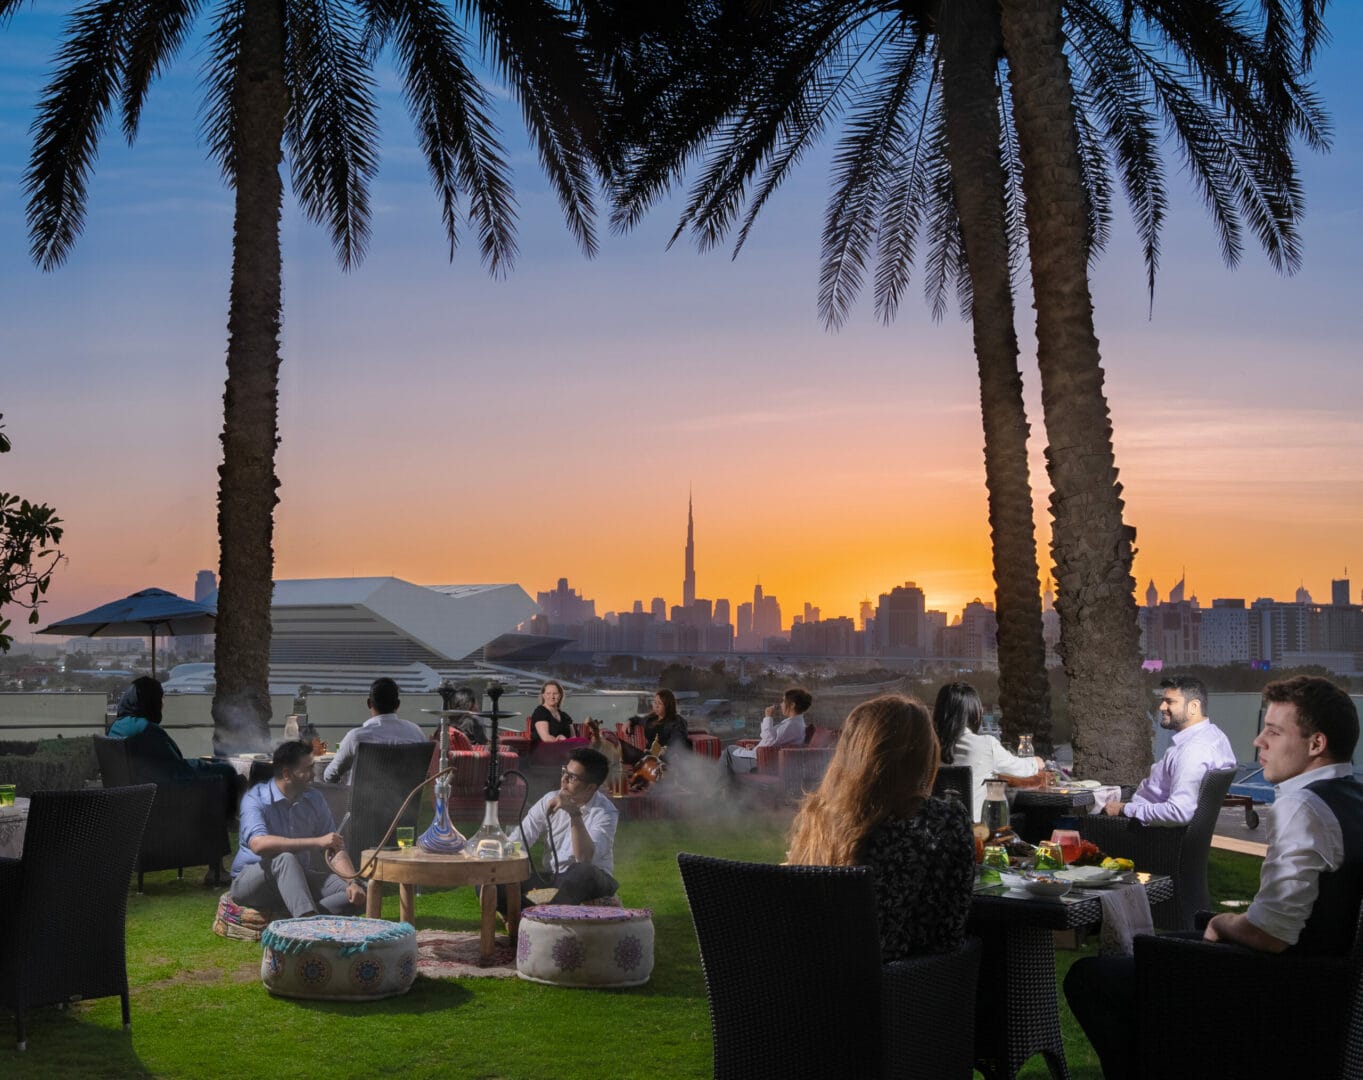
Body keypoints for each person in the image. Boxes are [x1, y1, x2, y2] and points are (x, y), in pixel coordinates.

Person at [1065, 676, 1363, 1080]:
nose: (1258, 742)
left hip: (1278, 991)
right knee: (1152, 950)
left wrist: (1222, 923)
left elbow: (1271, 933)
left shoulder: (1302, 808)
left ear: (1316, 744)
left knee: (1091, 978)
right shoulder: (1352, 798)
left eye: (1274, 732)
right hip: (1324, 988)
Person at [788, 694, 975, 961]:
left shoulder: (820, 815)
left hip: (814, 974)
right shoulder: (942, 821)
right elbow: (949, 929)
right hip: (906, 979)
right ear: (922, 755)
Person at [230, 739, 367, 918]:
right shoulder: (255, 799)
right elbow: (259, 845)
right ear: (287, 774)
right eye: (308, 769)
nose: (314, 774)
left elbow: (334, 848)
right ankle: (306, 922)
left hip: (297, 878)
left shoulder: (314, 798)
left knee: (359, 894)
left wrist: (352, 882)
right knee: (285, 859)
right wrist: (316, 842)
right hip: (253, 882)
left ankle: (305, 917)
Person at [1102, 675, 1235, 823]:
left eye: (1170, 702)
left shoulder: (1193, 751)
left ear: (1194, 706)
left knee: (1085, 820)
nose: (1161, 707)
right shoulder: (1215, 736)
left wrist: (1124, 809)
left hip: (1142, 828)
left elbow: (1179, 812)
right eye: (1162, 701)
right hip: (1146, 816)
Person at [505, 747, 619, 908]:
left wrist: (573, 812)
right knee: (496, 881)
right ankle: (544, 907)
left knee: (582, 872)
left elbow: (585, 858)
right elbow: (521, 837)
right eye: (565, 772)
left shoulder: (605, 812)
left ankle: (537, 908)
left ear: (591, 788)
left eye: (572, 777)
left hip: (591, 880)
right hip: (554, 880)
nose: (563, 780)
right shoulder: (549, 799)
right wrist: (503, 856)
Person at [107, 675, 240, 808]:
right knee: (227, 771)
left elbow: (163, 762)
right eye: (160, 698)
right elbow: (177, 769)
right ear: (151, 701)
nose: (162, 703)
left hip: (136, 798)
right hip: (162, 799)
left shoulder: (116, 726)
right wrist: (207, 765)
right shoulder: (145, 729)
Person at [930, 681, 1043, 821]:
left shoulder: (925, 748)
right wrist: (1036, 762)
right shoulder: (986, 745)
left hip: (932, 830)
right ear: (974, 713)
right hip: (974, 831)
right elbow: (1019, 768)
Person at [323, 676, 427, 784]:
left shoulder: (356, 737)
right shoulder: (416, 733)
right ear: (398, 704)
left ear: (369, 703)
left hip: (362, 795)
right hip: (407, 795)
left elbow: (329, 776)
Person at [721, 686, 813, 776]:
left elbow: (769, 740)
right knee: (732, 749)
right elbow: (775, 742)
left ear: (792, 705)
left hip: (761, 763)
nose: (781, 704)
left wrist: (768, 717)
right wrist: (756, 747)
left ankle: (720, 784)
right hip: (765, 758)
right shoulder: (795, 723)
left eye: (783, 701)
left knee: (728, 751)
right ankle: (727, 784)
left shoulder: (791, 725)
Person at [622, 689, 689, 765]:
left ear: (667, 705)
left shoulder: (677, 721)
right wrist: (629, 721)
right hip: (649, 758)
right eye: (654, 702)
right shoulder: (652, 718)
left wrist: (664, 752)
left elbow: (677, 742)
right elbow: (638, 719)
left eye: (659, 703)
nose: (656, 706)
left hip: (667, 760)